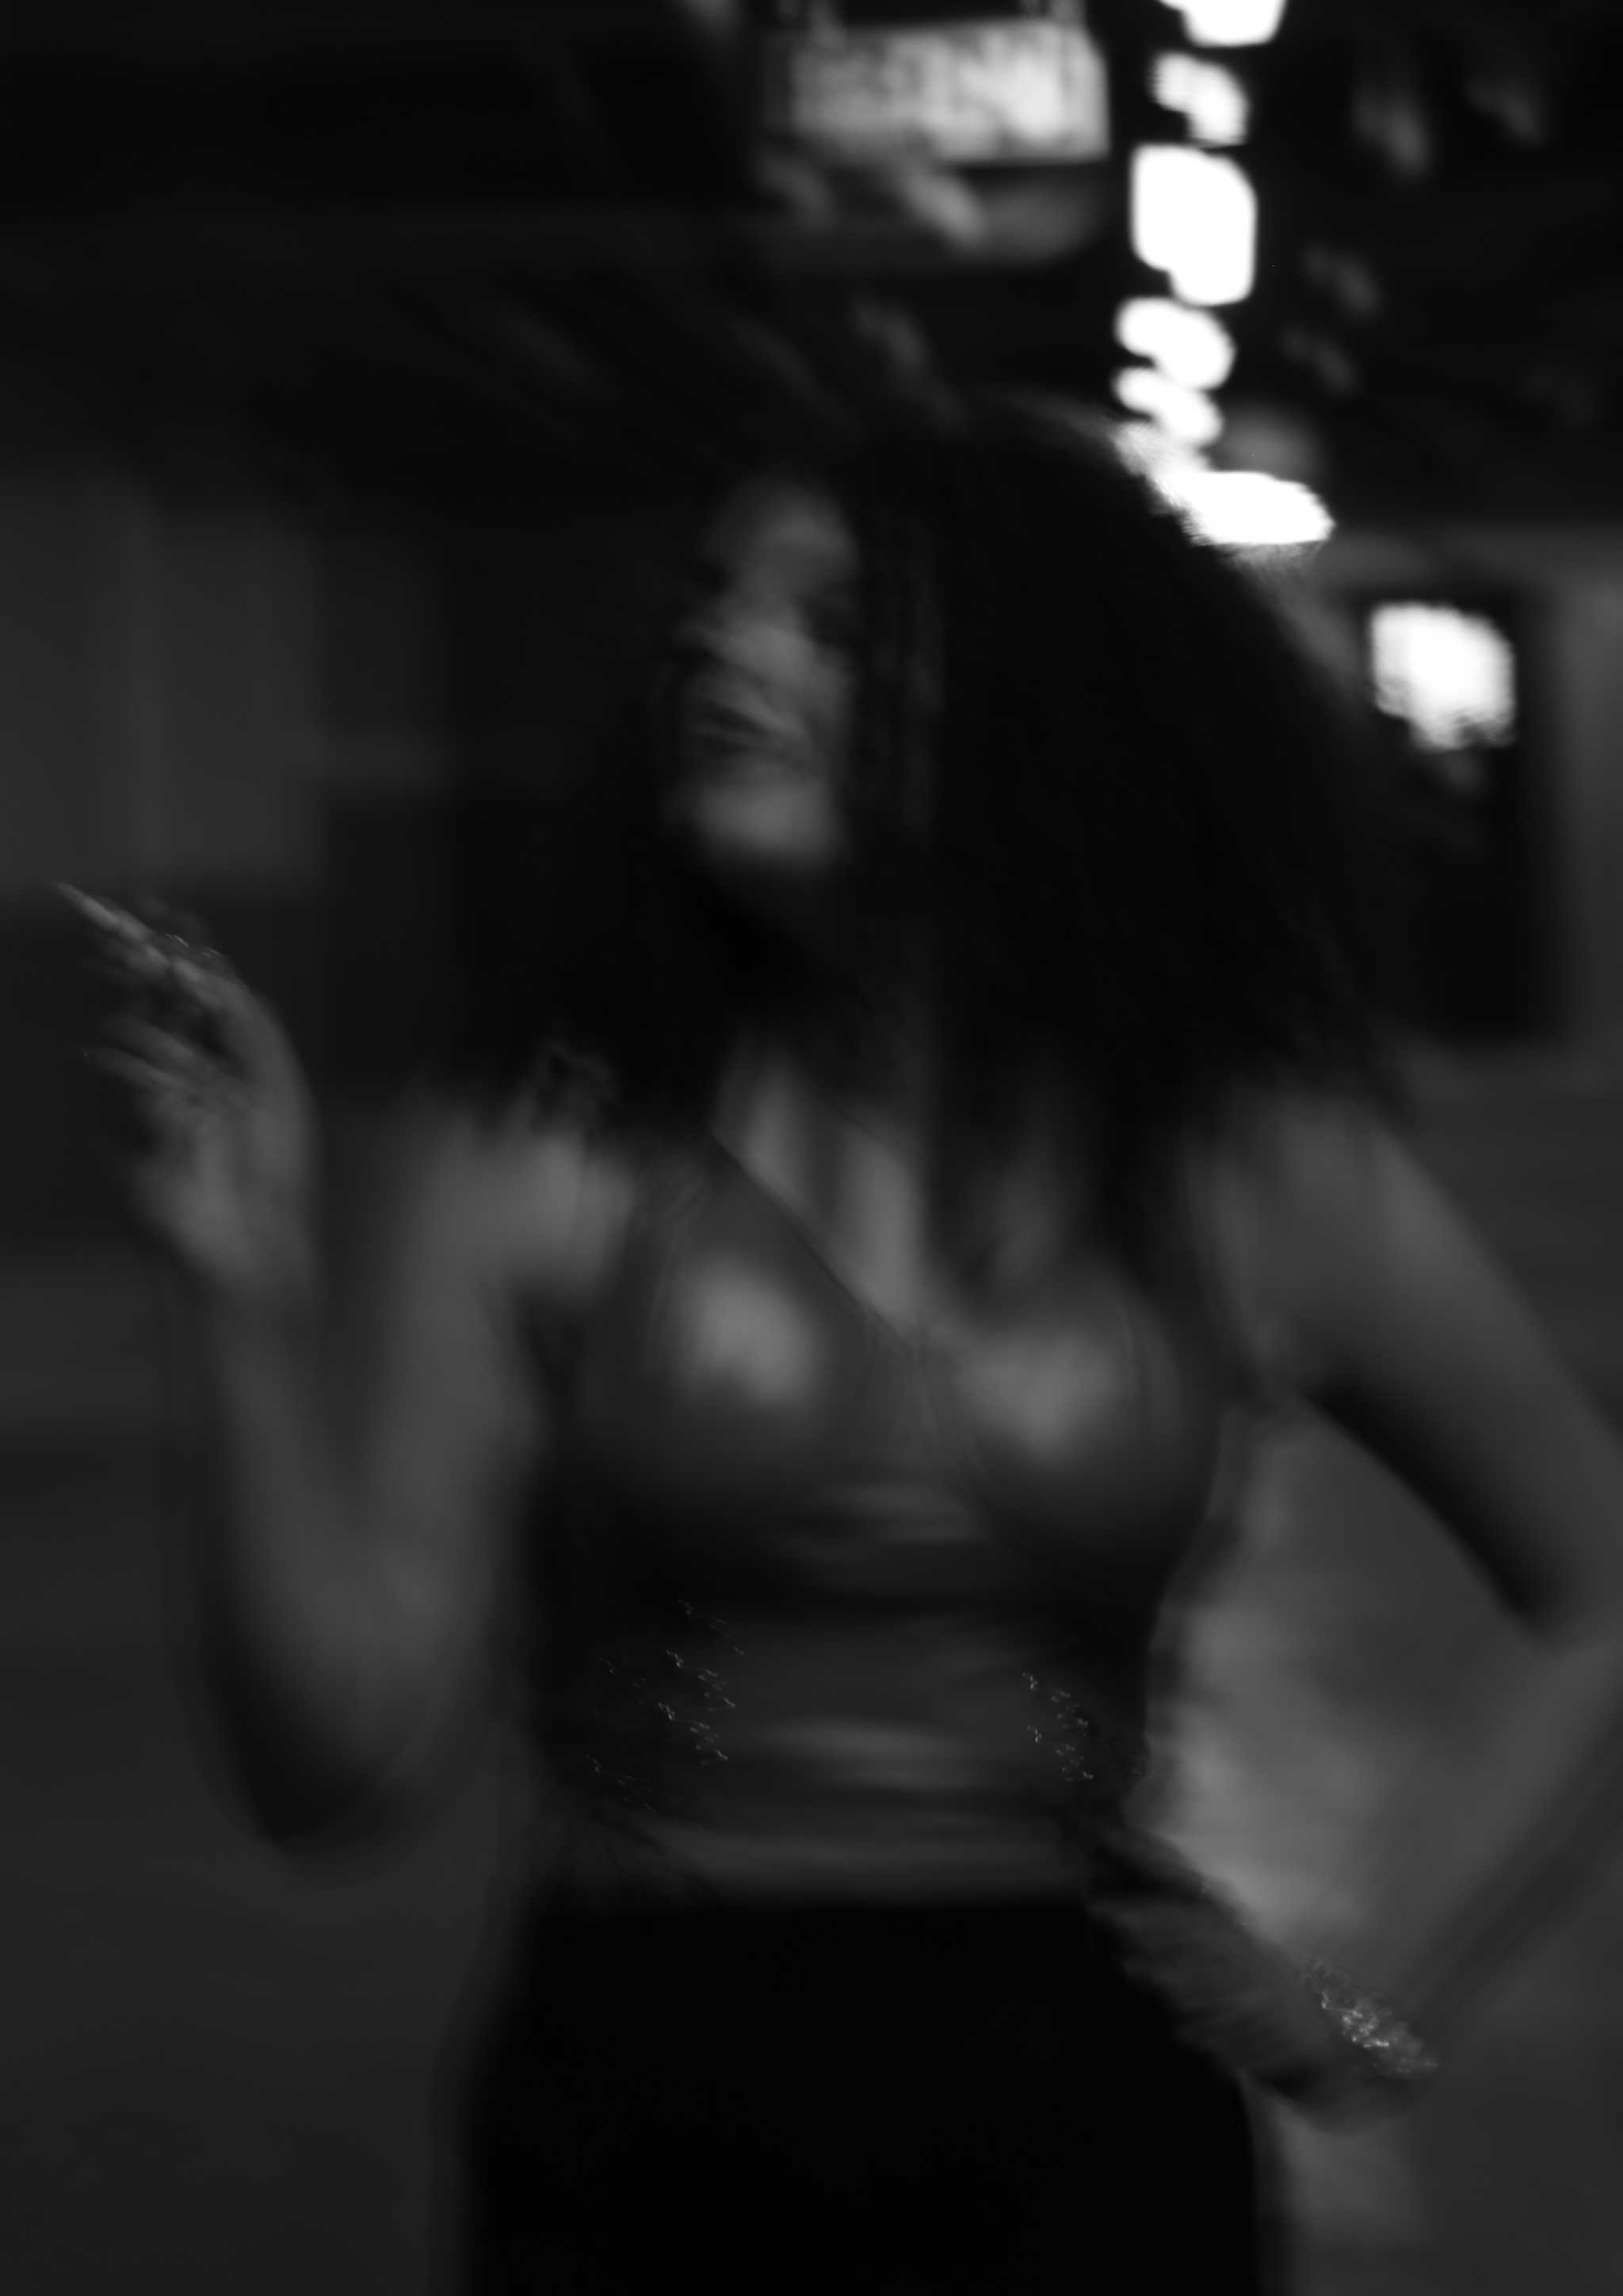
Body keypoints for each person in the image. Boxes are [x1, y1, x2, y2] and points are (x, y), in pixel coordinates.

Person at [68, 376, 1623, 2294]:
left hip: (1081, 2105)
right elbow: (332, 1770)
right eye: (717, 608)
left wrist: (1367, 2003)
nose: (729, 651)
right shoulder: (543, 1147)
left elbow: (1596, 1582)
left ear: (1045, 712)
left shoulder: (1247, 1163)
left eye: (832, 625)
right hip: (642, 2102)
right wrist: (240, 1285)